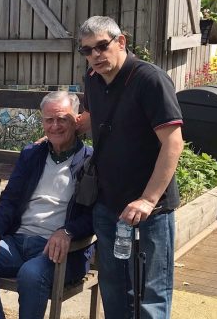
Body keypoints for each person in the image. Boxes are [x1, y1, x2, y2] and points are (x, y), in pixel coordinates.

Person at [78, 16, 183, 318]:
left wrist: (148, 199)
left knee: (152, 293)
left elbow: (173, 143)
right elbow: (93, 118)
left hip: (150, 209)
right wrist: (61, 129)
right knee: (113, 289)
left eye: (101, 46)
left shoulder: (150, 80)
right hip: (109, 203)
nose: (95, 55)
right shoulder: (93, 80)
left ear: (121, 41)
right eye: (87, 50)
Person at [0, 91, 94, 319]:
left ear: (76, 120)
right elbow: (9, 200)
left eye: (62, 119)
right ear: (42, 122)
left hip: (60, 250)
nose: (55, 126)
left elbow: (95, 214)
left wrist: (68, 231)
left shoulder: (90, 161)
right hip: (17, 242)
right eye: (49, 120)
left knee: (31, 274)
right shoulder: (32, 154)